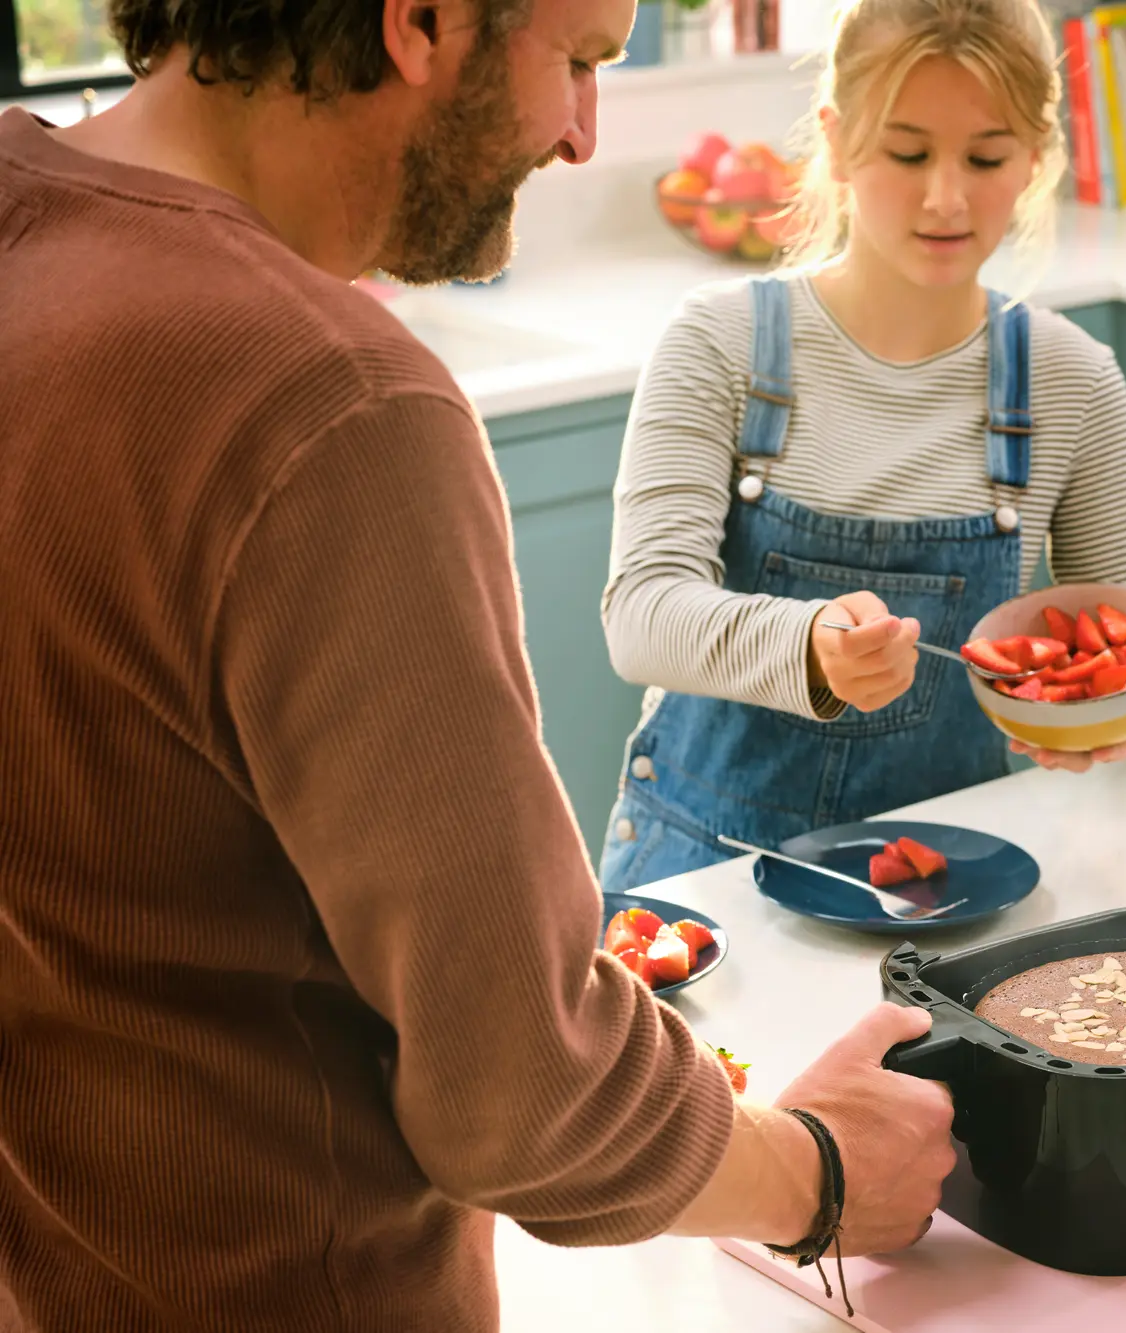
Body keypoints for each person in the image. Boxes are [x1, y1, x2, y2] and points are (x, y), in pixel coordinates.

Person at [0, 1, 953, 1329]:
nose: (581, 136)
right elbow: (527, 1097)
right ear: (423, 21)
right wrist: (822, 1169)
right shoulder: (329, 405)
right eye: (574, 61)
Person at [599, 0, 1126, 889]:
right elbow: (641, 614)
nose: (946, 197)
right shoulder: (719, 344)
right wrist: (810, 646)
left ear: (1035, 156)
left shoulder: (1072, 380)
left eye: (987, 157)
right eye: (909, 153)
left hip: (941, 889)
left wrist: (1119, 716)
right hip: (702, 873)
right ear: (836, 142)